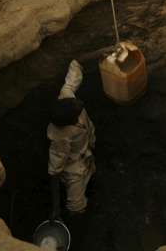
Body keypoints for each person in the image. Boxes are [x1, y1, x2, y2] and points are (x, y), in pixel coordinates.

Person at [48, 60, 95, 215]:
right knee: (76, 205)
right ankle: (79, 222)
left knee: (91, 171)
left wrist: (103, 51)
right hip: (74, 168)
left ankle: (93, 181)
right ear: (69, 122)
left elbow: (75, 67)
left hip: (87, 150)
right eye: (77, 111)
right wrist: (56, 208)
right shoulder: (60, 139)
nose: (80, 103)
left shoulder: (67, 97)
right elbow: (54, 172)